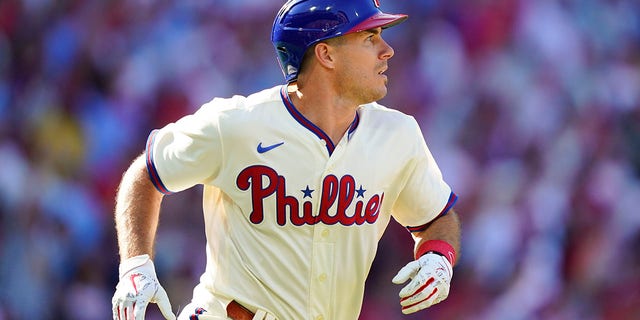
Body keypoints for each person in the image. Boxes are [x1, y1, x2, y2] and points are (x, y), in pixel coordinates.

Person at [111, 0, 461, 319]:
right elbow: (147, 173)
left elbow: (436, 217)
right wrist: (136, 264)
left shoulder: (397, 135)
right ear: (326, 54)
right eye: (370, 38)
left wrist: (438, 256)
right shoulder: (235, 124)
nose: (387, 50)